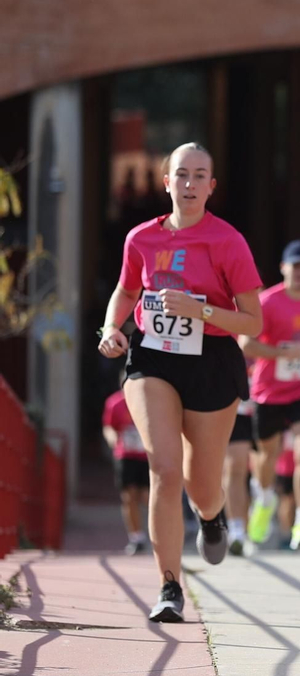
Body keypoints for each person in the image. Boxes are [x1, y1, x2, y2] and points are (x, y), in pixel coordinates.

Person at [96, 143, 263, 622]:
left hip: (212, 361)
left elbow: (253, 322)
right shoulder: (141, 238)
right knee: (165, 470)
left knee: (201, 484)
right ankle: (169, 586)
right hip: (153, 358)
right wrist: (110, 328)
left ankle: (211, 517)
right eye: (182, 175)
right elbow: (127, 290)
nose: (190, 184)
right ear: (167, 182)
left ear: (211, 186)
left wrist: (201, 310)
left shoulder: (227, 241)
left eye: (199, 176)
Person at [241, 240, 300, 551]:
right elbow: (246, 344)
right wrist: (282, 354)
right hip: (269, 391)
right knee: (267, 457)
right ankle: (264, 499)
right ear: (284, 268)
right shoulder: (268, 302)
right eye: (295, 266)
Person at [102, 387, 150, 555]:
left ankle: (159, 536)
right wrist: (112, 438)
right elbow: (108, 426)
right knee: (129, 497)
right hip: (126, 455)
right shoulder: (114, 402)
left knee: (148, 497)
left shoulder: (152, 398)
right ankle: (136, 538)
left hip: (147, 456)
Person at [223, 398, 257, 554]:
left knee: (261, 473)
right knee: (234, 468)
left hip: (268, 403)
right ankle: (237, 530)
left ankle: (264, 500)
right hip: (236, 408)